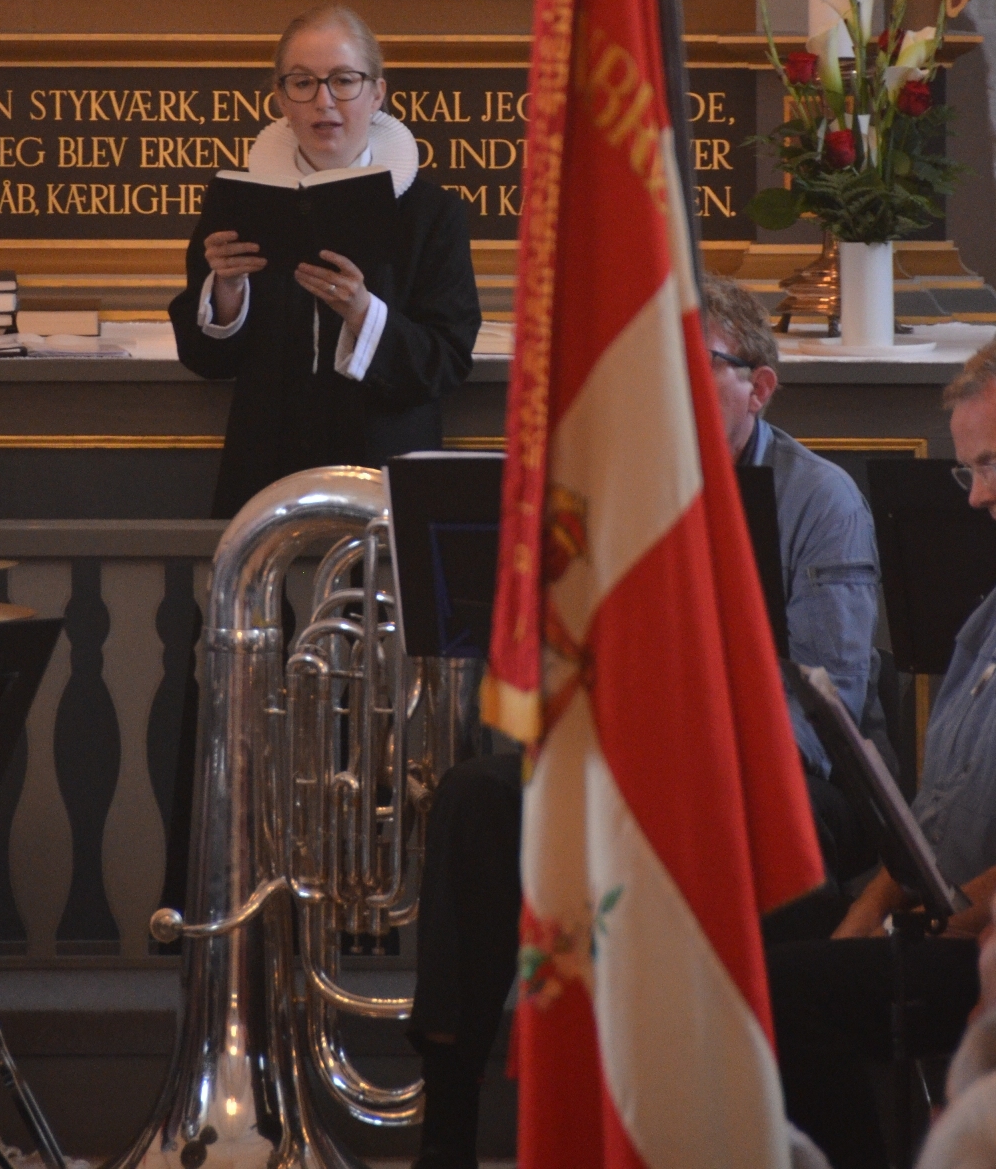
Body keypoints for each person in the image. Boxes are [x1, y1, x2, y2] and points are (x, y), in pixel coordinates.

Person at [409, 272, 892, 1169]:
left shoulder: (818, 497)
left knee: (754, 816)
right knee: (477, 800)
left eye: (694, 363)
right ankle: (447, 1125)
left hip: (782, 771)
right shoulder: (613, 481)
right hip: (626, 754)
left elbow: (824, 698)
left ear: (760, 385)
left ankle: (761, 1121)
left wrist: (691, 757)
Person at [768, 341, 996, 1169]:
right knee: (742, 930)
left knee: (788, 997)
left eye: (990, 464)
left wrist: (920, 926)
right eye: (968, 469)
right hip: (942, 916)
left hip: (978, 939)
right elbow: (929, 818)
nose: (976, 495)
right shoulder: (987, 619)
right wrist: (863, 919)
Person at [170, 4, 480, 521]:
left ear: (376, 93)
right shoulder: (238, 202)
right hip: (265, 468)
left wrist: (363, 312)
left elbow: (447, 360)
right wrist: (227, 291)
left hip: (384, 472)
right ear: (280, 98)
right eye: (302, 83)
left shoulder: (432, 214)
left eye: (344, 80)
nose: (323, 101)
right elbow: (206, 360)